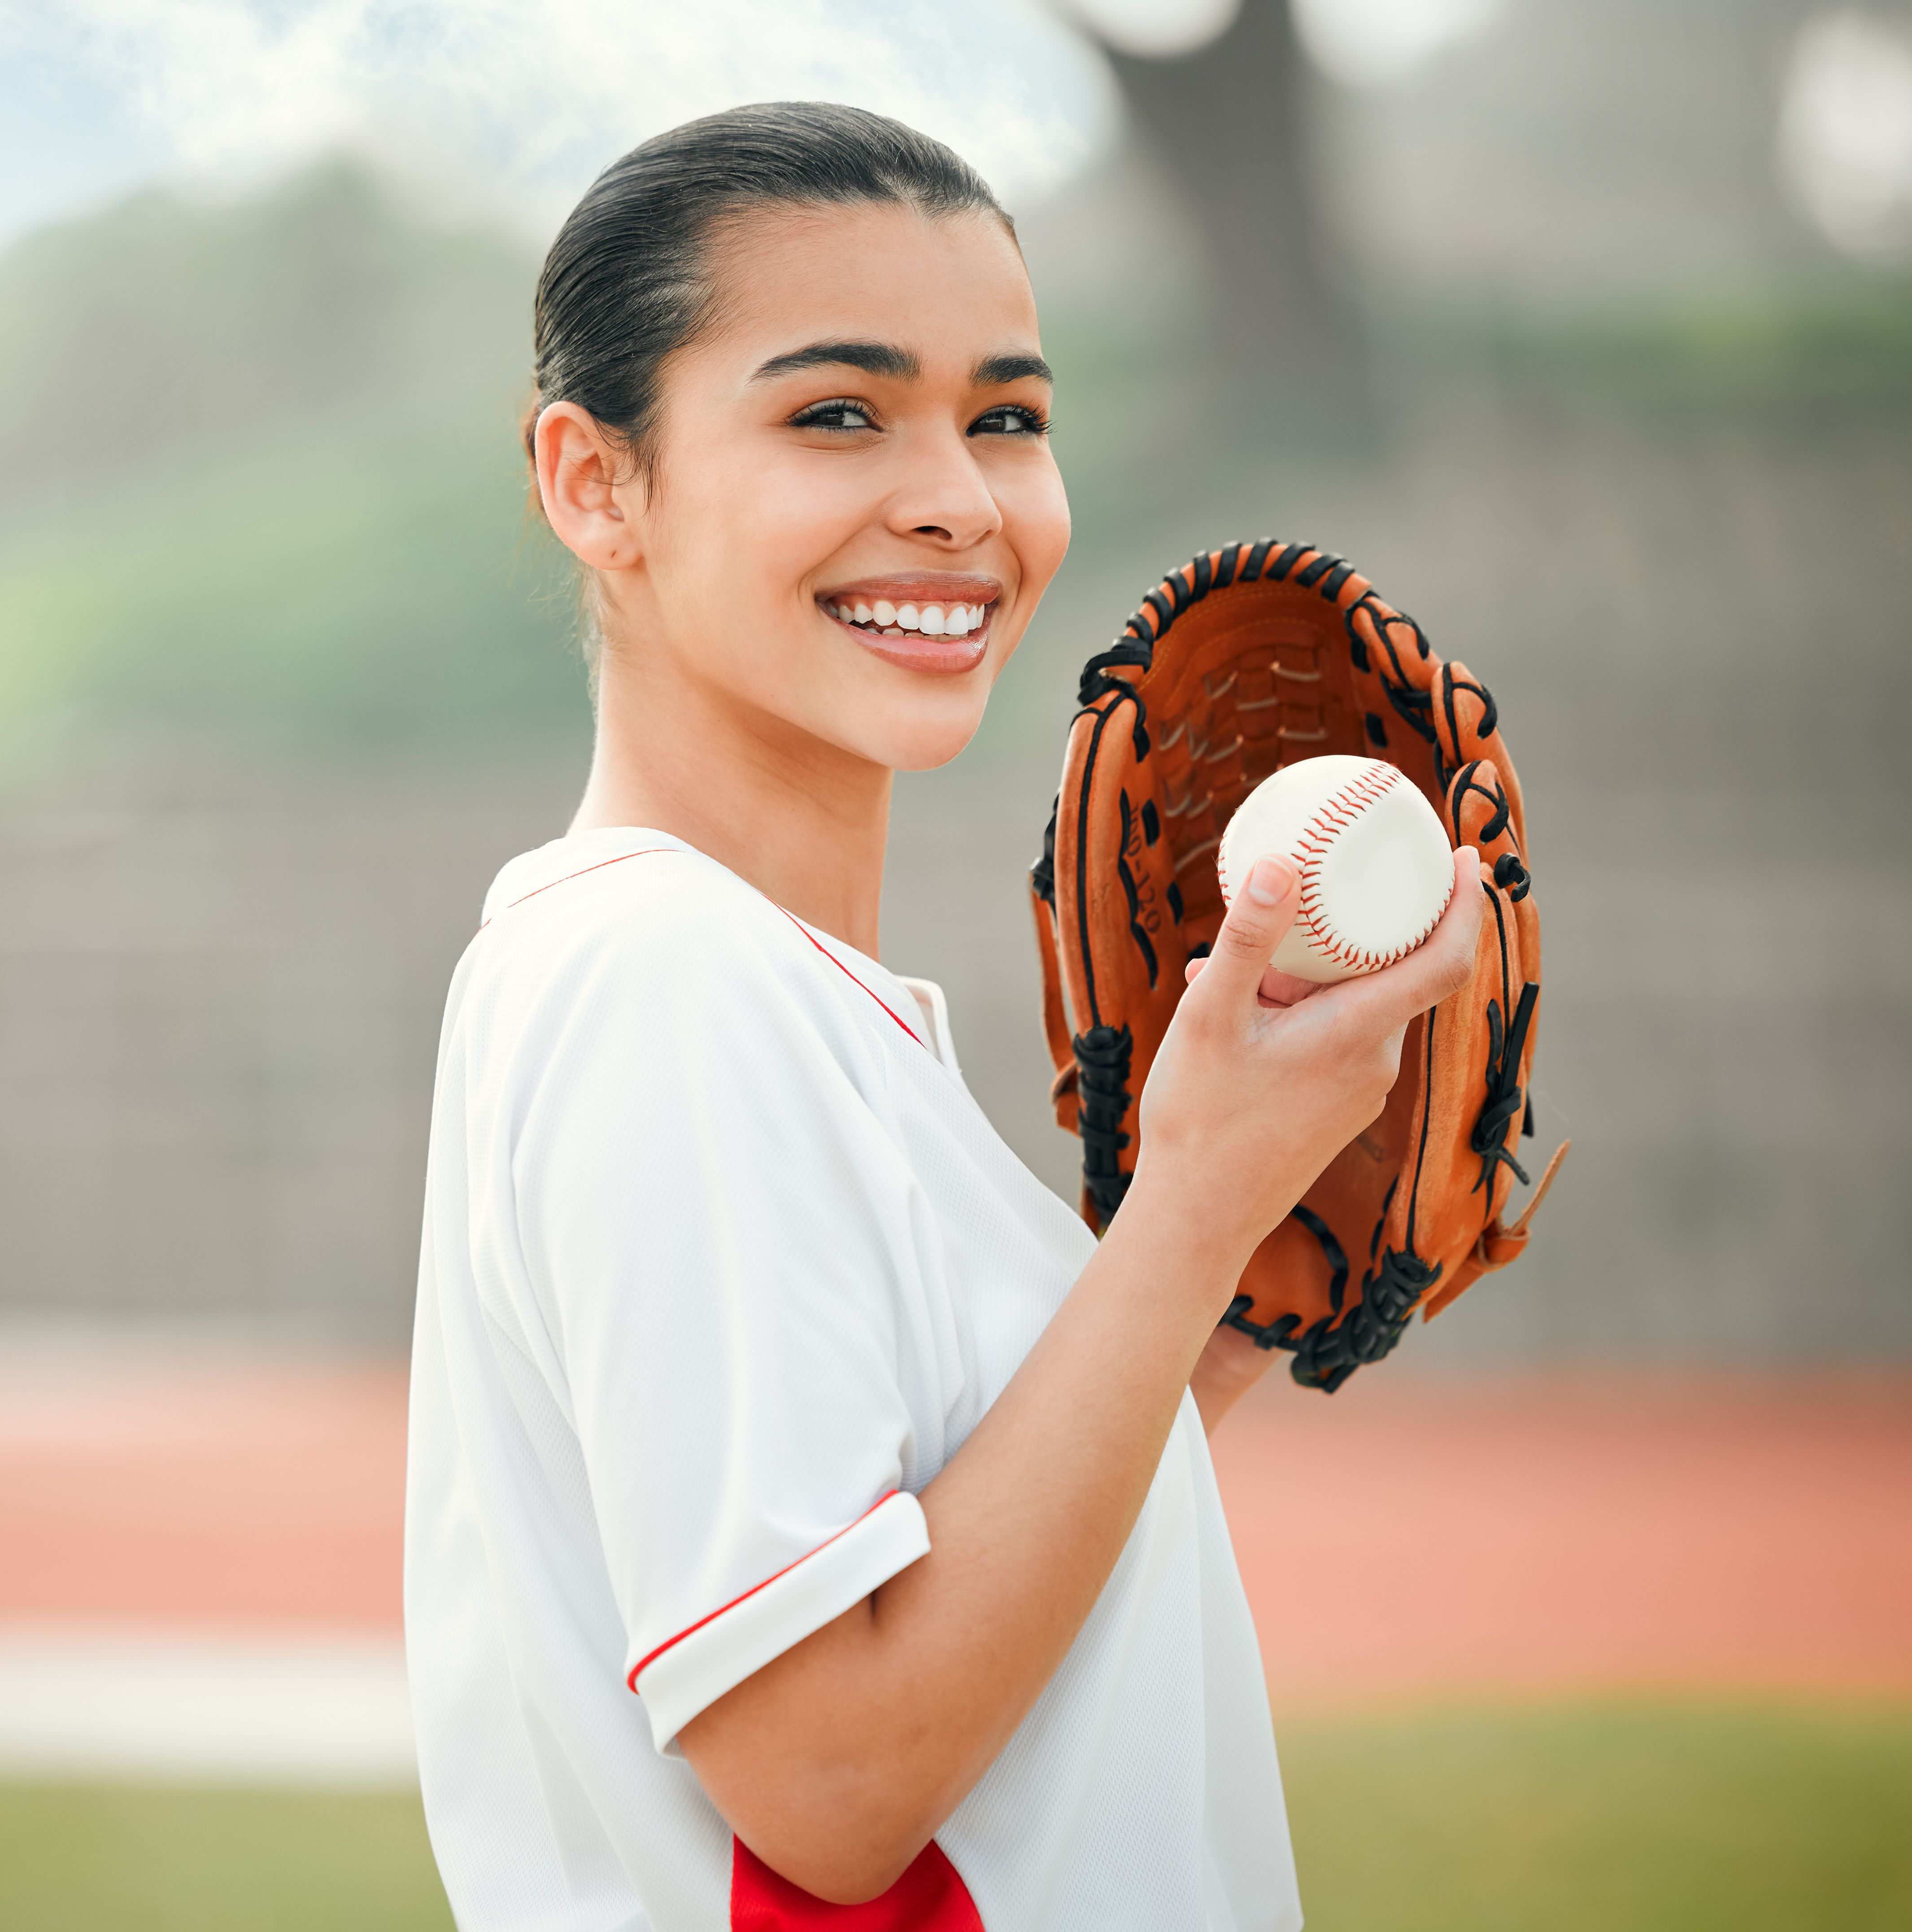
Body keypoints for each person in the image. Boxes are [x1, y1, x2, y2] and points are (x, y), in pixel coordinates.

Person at [403, 102, 1479, 1931]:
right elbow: (832, 1789)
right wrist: (1193, 1201)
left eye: (1008, 416)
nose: (961, 500)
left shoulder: (742, 987)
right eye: (837, 411)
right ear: (596, 482)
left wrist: (1203, 1323)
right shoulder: (666, 980)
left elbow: (978, 1644)